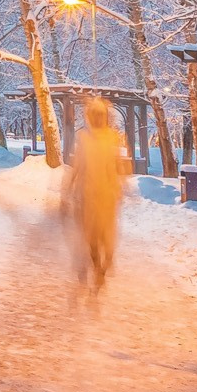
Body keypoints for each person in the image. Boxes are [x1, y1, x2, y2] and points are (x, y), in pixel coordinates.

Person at [61, 95, 132, 293]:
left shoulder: (112, 137)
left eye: (101, 115)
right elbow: (77, 166)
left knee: (107, 240)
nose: (98, 118)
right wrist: (66, 191)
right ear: (90, 116)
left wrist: (123, 183)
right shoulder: (83, 137)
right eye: (94, 115)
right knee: (92, 239)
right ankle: (96, 269)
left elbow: (117, 165)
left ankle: (103, 266)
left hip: (107, 196)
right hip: (87, 195)